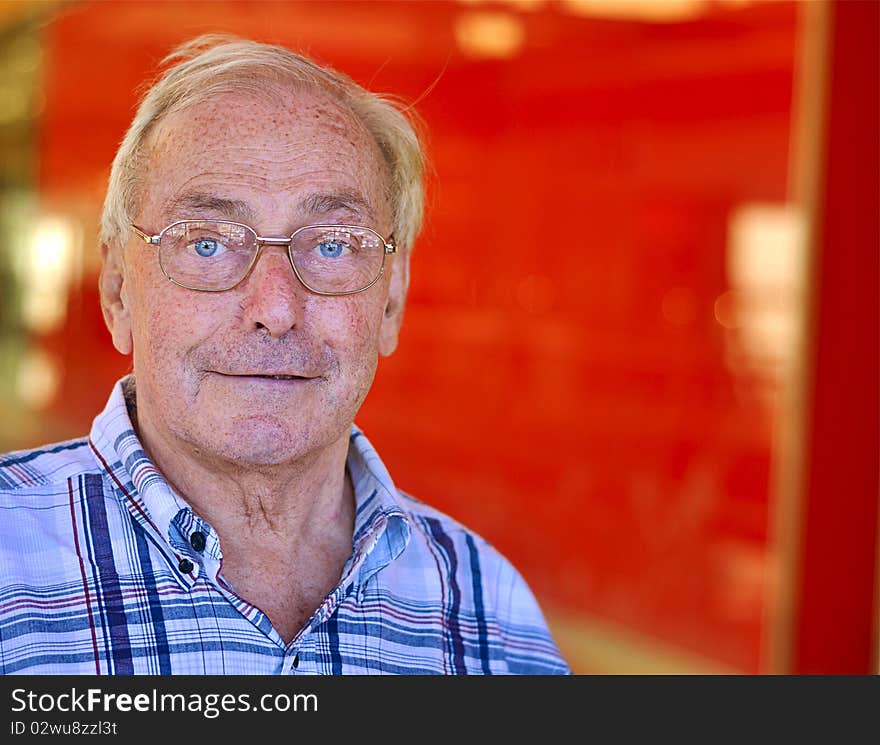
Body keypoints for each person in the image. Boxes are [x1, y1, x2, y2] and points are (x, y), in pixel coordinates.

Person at [0, 35, 569, 675]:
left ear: (391, 303)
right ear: (117, 291)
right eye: (208, 243)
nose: (275, 306)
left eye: (332, 246)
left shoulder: (488, 612)